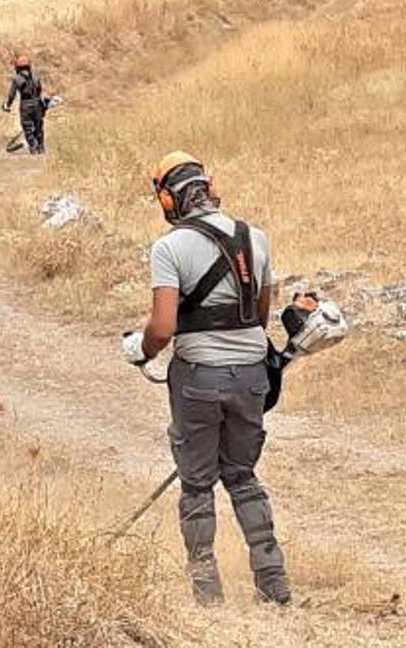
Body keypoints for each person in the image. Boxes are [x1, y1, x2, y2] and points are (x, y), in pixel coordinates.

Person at [121, 151, 290, 606]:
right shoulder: (255, 238)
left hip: (197, 377)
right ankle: (272, 582)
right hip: (252, 373)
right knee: (242, 475)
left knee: (197, 482)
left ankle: (207, 593)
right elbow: (258, 313)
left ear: (167, 199)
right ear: (209, 187)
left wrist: (140, 350)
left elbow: (163, 327)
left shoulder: (169, 248)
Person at [1, 56, 45, 154]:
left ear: (17, 68)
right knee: (39, 127)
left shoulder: (17, 79)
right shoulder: (36, 77)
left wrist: (7, 106)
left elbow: (11, 95)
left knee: (27, 128)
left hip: (26, 106)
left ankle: (33, 149)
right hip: (37, 104)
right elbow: (39, 90)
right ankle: (41, 148)